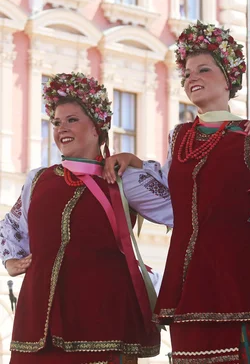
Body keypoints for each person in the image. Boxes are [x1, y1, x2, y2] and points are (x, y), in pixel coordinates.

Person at [103, 21, 250, 363]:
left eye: (203, 69)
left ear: (229, 79)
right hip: (189, 282)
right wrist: (133, 165)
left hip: (241, 278)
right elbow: (174, 199)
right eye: (185, 73)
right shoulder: (180, 137)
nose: (191, 77)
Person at [0, 72, 171, 364]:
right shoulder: (38, 180)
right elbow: (11, 226)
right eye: (56, 122)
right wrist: (10, 260)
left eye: (71, 120)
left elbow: (181, 204)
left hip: (102, 323)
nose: (60, 129)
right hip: (37, 327)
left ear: (97, 126)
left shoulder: (123, 178)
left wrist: (138, 162)